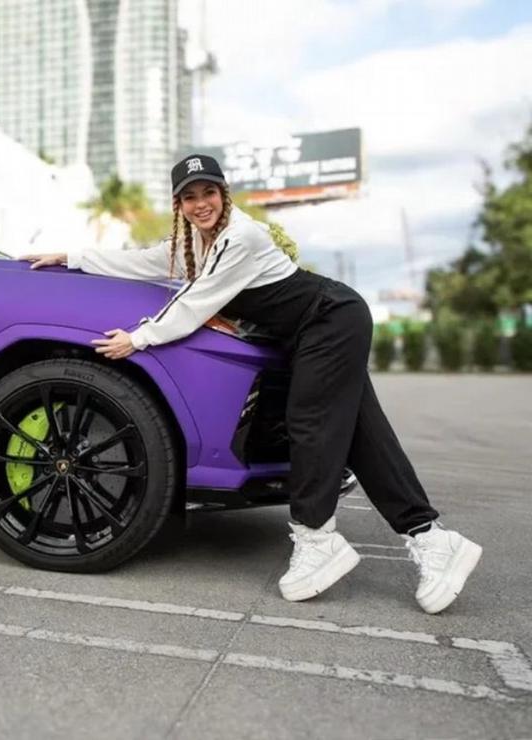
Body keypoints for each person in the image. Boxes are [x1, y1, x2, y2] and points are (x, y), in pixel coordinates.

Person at [24, 154, 481, 614]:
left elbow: (194, 305)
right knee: (364, 439)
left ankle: (316, 538)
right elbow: (142, 261)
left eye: (209, 192)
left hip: (330, 320)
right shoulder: (198, 244)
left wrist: (137, 339)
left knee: (310, 423)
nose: (201, 203)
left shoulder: (239, 237)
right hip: (317, 328)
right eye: (190, 196)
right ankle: (432, 539)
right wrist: (72, 257)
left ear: (224, 194)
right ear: (179, 204)